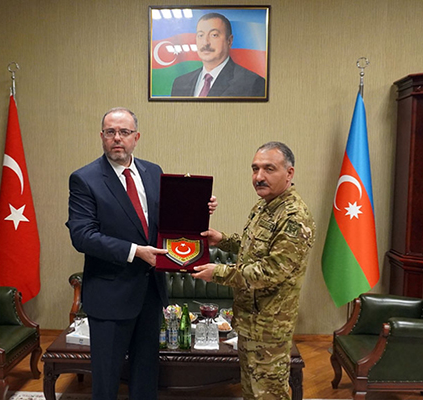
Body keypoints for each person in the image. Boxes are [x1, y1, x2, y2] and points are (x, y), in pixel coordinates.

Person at [66, 107, 216, 400]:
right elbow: (82, 236)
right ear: (101, 136)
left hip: (150, 294)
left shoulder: (153, 171)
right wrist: (135, 251)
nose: (117, 138)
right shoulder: (84, 179)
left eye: (124, 132)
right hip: (110, 296)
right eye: (110, 132)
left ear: (136, 137)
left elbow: (167, 220)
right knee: (106, 382)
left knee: (146, 377)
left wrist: (199, 207)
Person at [192, 142, 315, 400]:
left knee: (268, 394)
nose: (259, 176)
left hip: (269, 330)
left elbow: (271, 271)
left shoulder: (293, 216)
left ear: (289, 173)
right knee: (251, 393)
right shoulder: (265, 205)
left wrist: (219, 273)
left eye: (269, 169)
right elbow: (254, 249)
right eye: (255, 169)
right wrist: (223, 240)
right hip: (250, 322)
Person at [171, 12, 266, 98]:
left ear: (229, 41)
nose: (205, 43)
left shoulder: (252, 83)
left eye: (214, 35)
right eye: (200, 35)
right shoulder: (180, 83)